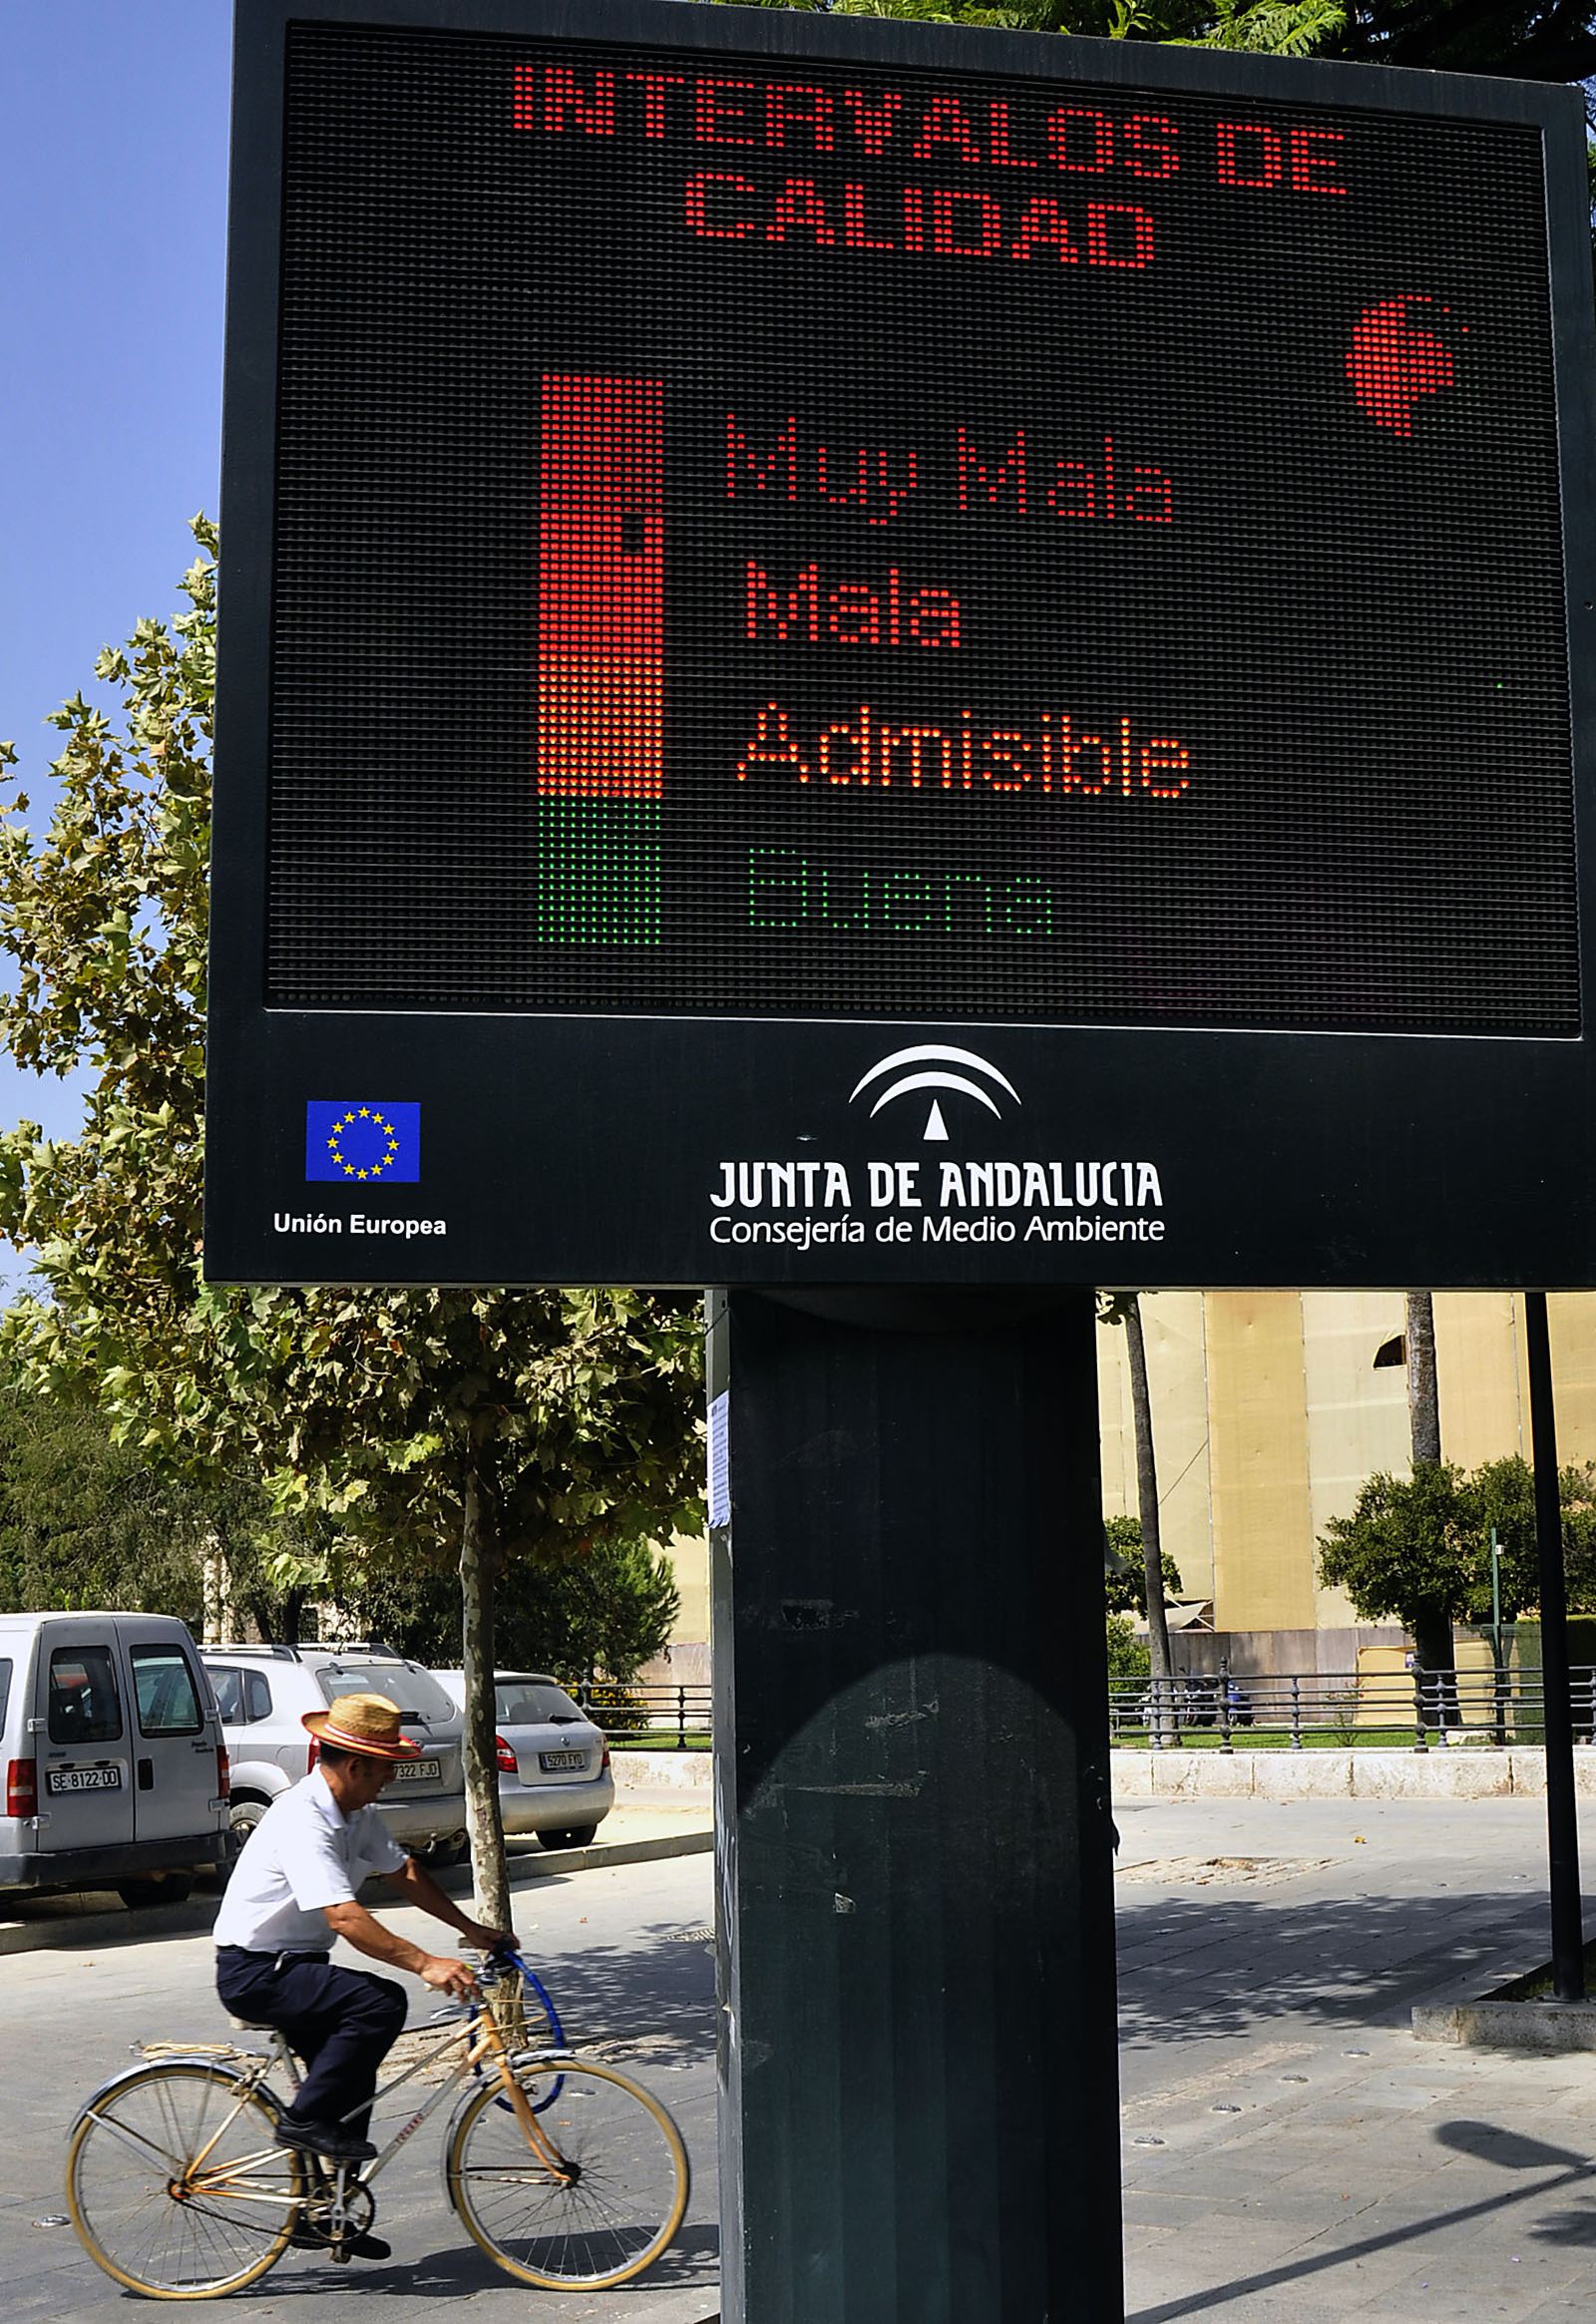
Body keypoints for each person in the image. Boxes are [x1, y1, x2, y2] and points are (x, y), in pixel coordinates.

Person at [213, 1690, 509, 2257]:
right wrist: (425, 1963)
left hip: (295, 1966)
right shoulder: (304, 1818)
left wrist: (472, 1931)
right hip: (256, 1972)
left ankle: (323, 2211)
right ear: (355, 1765)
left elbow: (405, 1873)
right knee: (378, 2004)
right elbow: (344, 1916)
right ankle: (301, 2123)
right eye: (386, 1770)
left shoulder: (356, 1812)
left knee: (354, 2078)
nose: (389, 1781)